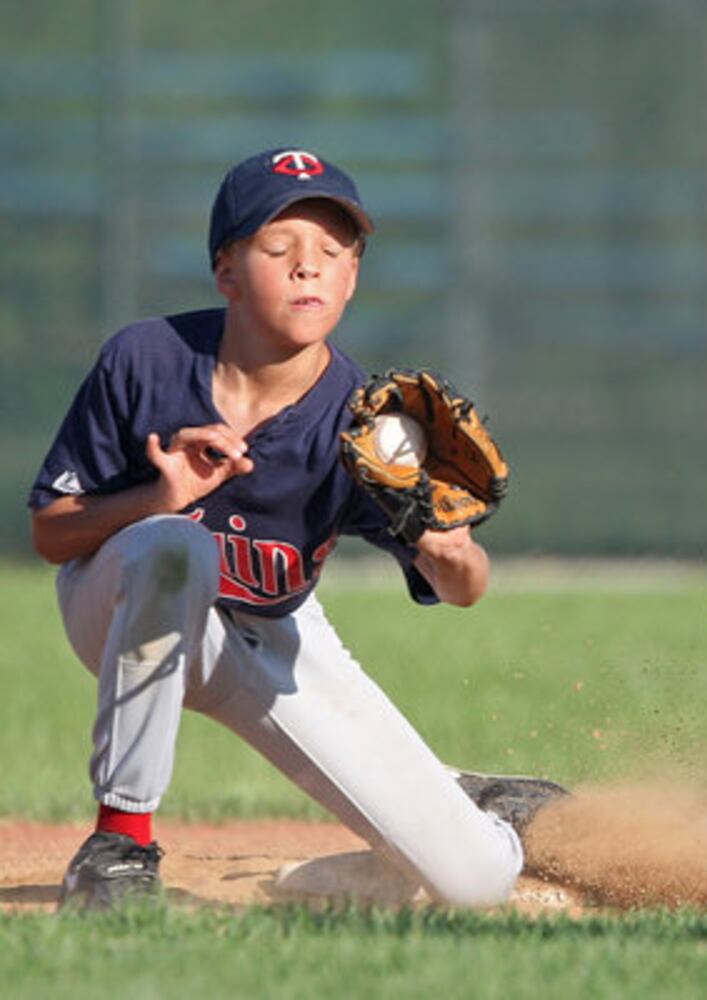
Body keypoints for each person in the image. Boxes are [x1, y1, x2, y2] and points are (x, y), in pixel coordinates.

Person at [28, 147, 563, 910]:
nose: (308, 267)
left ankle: (448, 811)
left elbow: (465, 590)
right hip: (119, 603)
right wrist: (156, 498)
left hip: (271, 637)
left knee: (475, 882)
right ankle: (120, 844)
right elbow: (52, 535)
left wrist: (453, 550)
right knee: (173, 545)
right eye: (280, 249)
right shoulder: (145, 360)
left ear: (352, 278)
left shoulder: (363, 422)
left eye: (333, 251)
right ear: (228, 272)